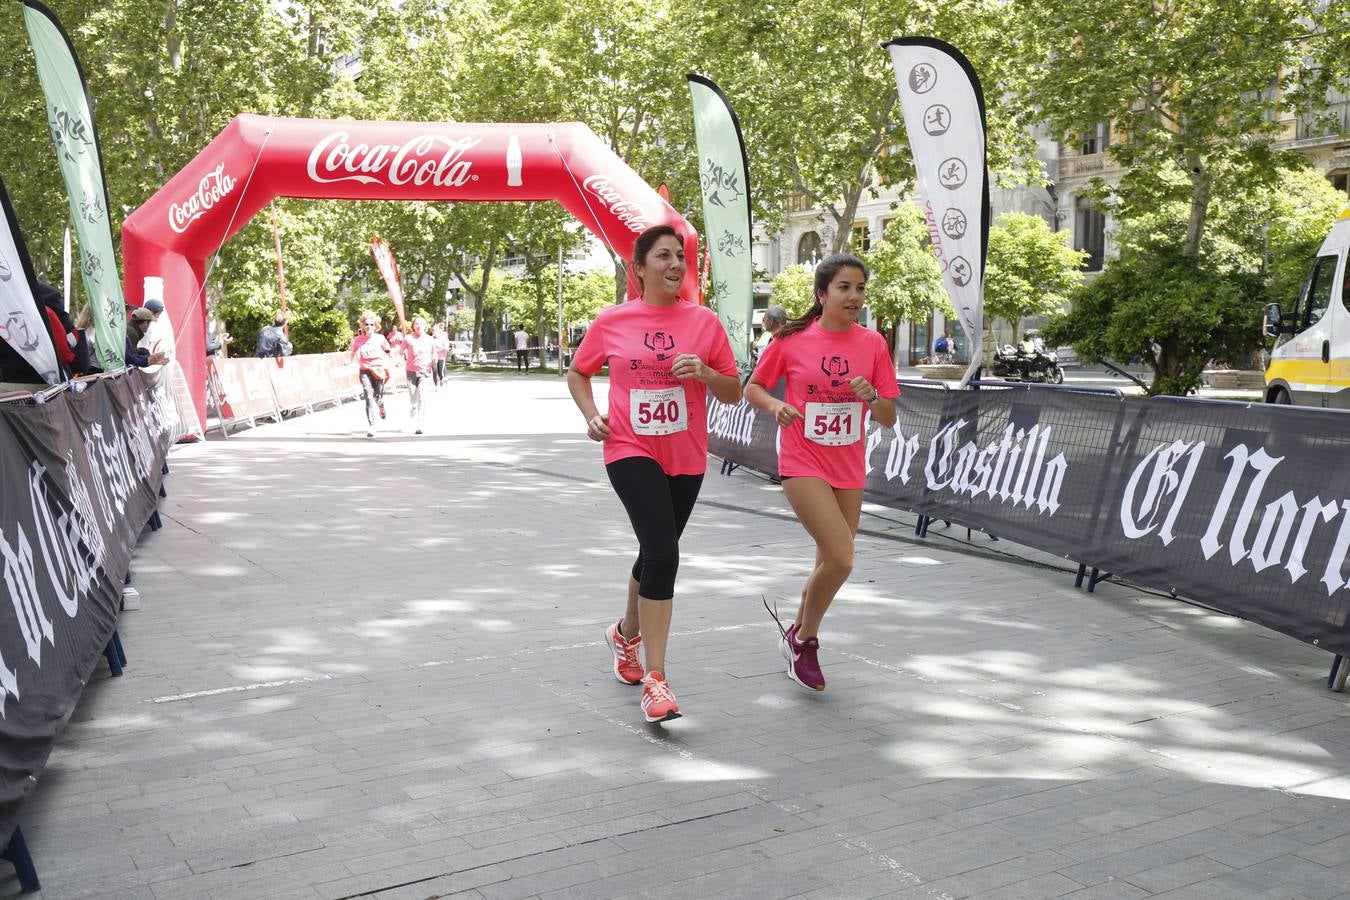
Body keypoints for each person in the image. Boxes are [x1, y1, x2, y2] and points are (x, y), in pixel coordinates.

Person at [567, 224, 742, 723]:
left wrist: (706, 375)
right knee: (665, 551)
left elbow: (732, 389)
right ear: (638, 269)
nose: (674, 265)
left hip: (686, 454)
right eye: (662, 256)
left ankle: (624, 635)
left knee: (653, 550)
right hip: (629, 447)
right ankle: (656, 678)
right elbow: (578, 371)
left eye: (680, 258)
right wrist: (592, 414)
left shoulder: (704, 322)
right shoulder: (613, 320)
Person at [744, 253, 899, 692]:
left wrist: (871, 396)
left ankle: (797, 633)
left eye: (860, 288)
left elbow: (887, 416)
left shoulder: (872, 344)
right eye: (844, 288)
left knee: (827, 560)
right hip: (802, 461)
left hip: (848, 465)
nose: (854, 296)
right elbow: (752, 387)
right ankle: (804, 639)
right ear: (822, 294)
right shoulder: (792, 341)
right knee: (843, 557)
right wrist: (776, 406)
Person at [349, 311, 392, 437]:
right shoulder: (358, 340)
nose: (369, 326)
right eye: (366, 324)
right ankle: (372, 426)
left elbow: (388, 351)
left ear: (376, 326)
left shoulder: (380, 339)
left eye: (371, 324)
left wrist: (395, 360)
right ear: (363, 325)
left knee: (378, 398)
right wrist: (348, 362)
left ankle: (381, 406)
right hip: (365, 370)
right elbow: (352, 352)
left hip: (378, 370)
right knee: (368, 397)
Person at [402, 316, 435, 435]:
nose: (419, 326)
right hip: (411, 371)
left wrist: (434, 359)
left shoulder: (430, 339)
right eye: (416, 324)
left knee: (422, 396)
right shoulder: (408, 338)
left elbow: (434, 353)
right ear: (413, 326)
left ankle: (419, 424)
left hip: (425, 373)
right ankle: (413, 406)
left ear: (425, 326)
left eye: (421, 324)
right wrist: (397, 359)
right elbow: (400, 352)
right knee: (412, 397)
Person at [431, 323, 449, 387]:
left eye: (435, 330)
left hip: (441, 357)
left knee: (440, 371)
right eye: (433, 330)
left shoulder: (442, 337)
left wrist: (440, 348)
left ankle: (441, 379)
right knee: (434, 370)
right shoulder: (430, 338)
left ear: (438, 331)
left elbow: (446, 347)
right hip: (433, 357)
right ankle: (435, 385)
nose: (434, 331)